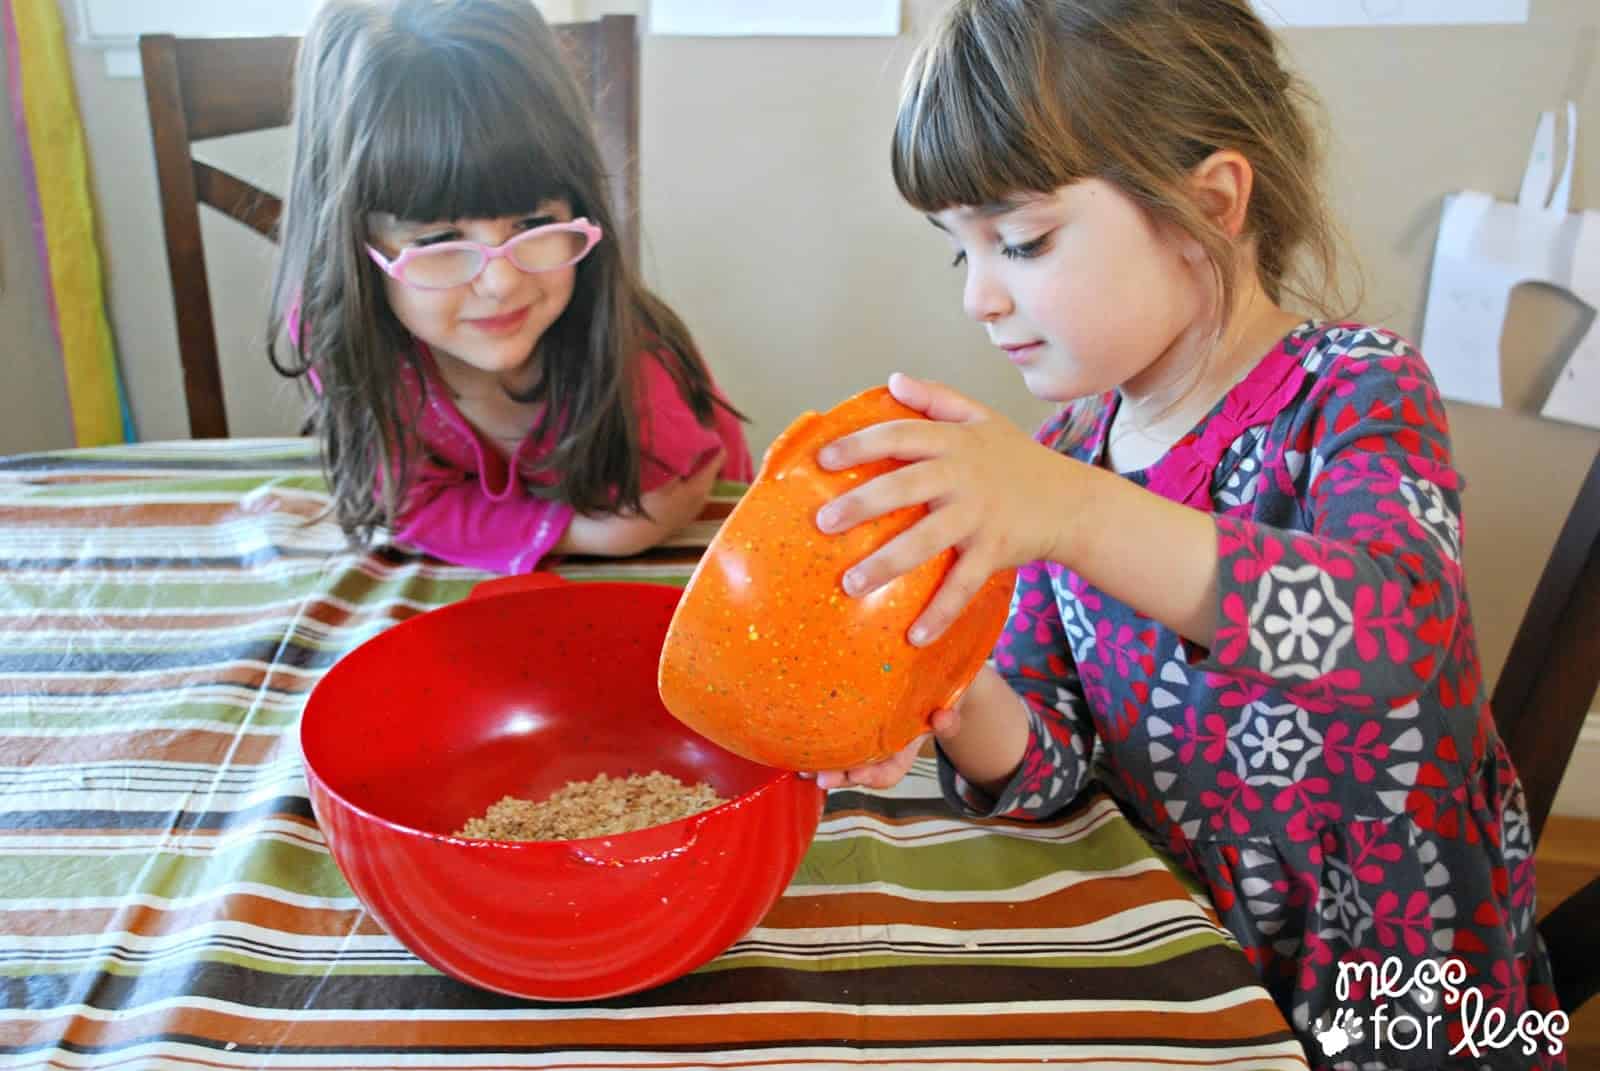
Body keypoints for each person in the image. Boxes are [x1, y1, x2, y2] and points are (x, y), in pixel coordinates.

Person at [809, 2, 1567, 1067]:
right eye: (958, 254)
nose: (979, 297)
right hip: (1181, 957)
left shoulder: (1349, 390)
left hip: (1399, 977)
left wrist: (1068, 513)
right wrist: (948, 690)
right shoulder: (1065, 453)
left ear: (1206, 207)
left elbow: (1393, 637)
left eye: (1019, 239)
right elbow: (1049, 762)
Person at [268, 0, 751, 574]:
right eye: (442, 239)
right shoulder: (338, 334)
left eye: (535, 225)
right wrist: (585, 534)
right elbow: (409, 507)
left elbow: (671, 504)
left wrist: (616, 534)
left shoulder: (636, 361)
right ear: (353, 248)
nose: (500, 282)